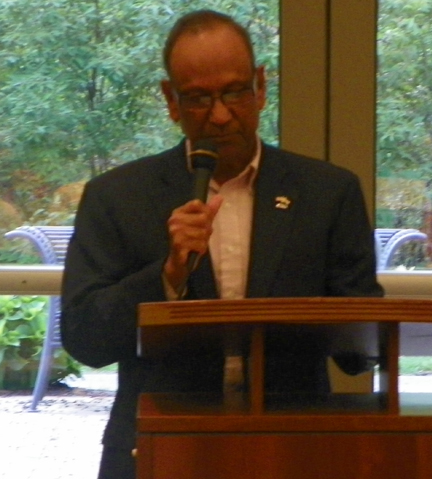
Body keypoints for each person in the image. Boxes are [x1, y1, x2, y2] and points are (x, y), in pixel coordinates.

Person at [61, 9, 383, 479]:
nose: (220, 114)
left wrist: (365, 330)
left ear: (260, 86)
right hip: (159, 446)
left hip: (292, 448)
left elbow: (358, 351)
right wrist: (167, 276)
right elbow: (85, 338)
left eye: (234, 91)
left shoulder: (328, 193)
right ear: (170, 100)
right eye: (197, 98)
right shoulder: (116, 196)